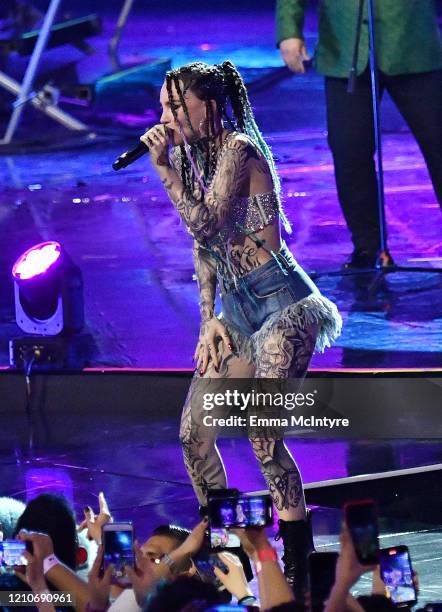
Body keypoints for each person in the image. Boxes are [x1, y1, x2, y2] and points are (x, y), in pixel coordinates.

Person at [142, 60, 342, 600]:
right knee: (192, 432)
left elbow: (204, 220)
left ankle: (298, 561)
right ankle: (225, 548)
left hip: (284, 306)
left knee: (261, 433)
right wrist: (208, 321)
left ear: (208, 105)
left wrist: (164, 169)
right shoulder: (196, 154)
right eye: (162, 105)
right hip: (238, 311)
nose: (163, 117)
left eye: (173, 106)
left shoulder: (237, 148)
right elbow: (202, 246)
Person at [277, 0, 442, 268]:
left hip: (412, 43)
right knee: (348, 150)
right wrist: (289, 30)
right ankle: (368, 248)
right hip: (345, 47)